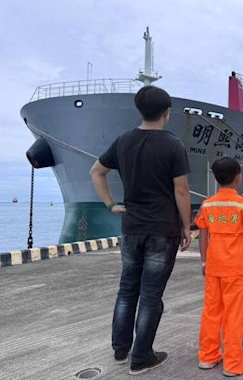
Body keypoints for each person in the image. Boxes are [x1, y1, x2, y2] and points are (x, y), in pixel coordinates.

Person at [90, 85, 191, 375]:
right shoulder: (173, 145)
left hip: (131, 226)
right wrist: (187, 226)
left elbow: (96, 171)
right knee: (150, 295)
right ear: (167, 113)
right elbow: (181, 191)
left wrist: (111, 204)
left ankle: (121, 349)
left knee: (127, 289)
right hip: (163, 228)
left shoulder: (122, 141)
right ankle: (142, 356)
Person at [194, 157, 243, 377]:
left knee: (211, 311)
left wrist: (204, 261)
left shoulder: (208, 204)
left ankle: (207, 355)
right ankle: (233, 362)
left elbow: (202, 234)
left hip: (213, 265)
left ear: (216, 178)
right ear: (238, 178)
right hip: (235, 267)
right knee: (234, 314)